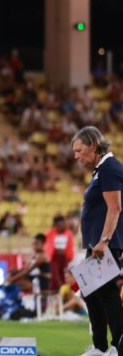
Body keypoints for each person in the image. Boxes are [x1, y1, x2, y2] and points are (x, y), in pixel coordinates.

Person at [72, 126, 123, 356]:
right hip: (97, 243)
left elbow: (115, 207)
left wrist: (104, 240)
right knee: (90, 291)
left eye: (79, 150)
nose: (76, 156)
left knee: (107, 293)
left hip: (106, 242)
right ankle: (101, 348)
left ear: (93, 145)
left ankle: (116, 347)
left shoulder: (109, 168)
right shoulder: (100, 170)